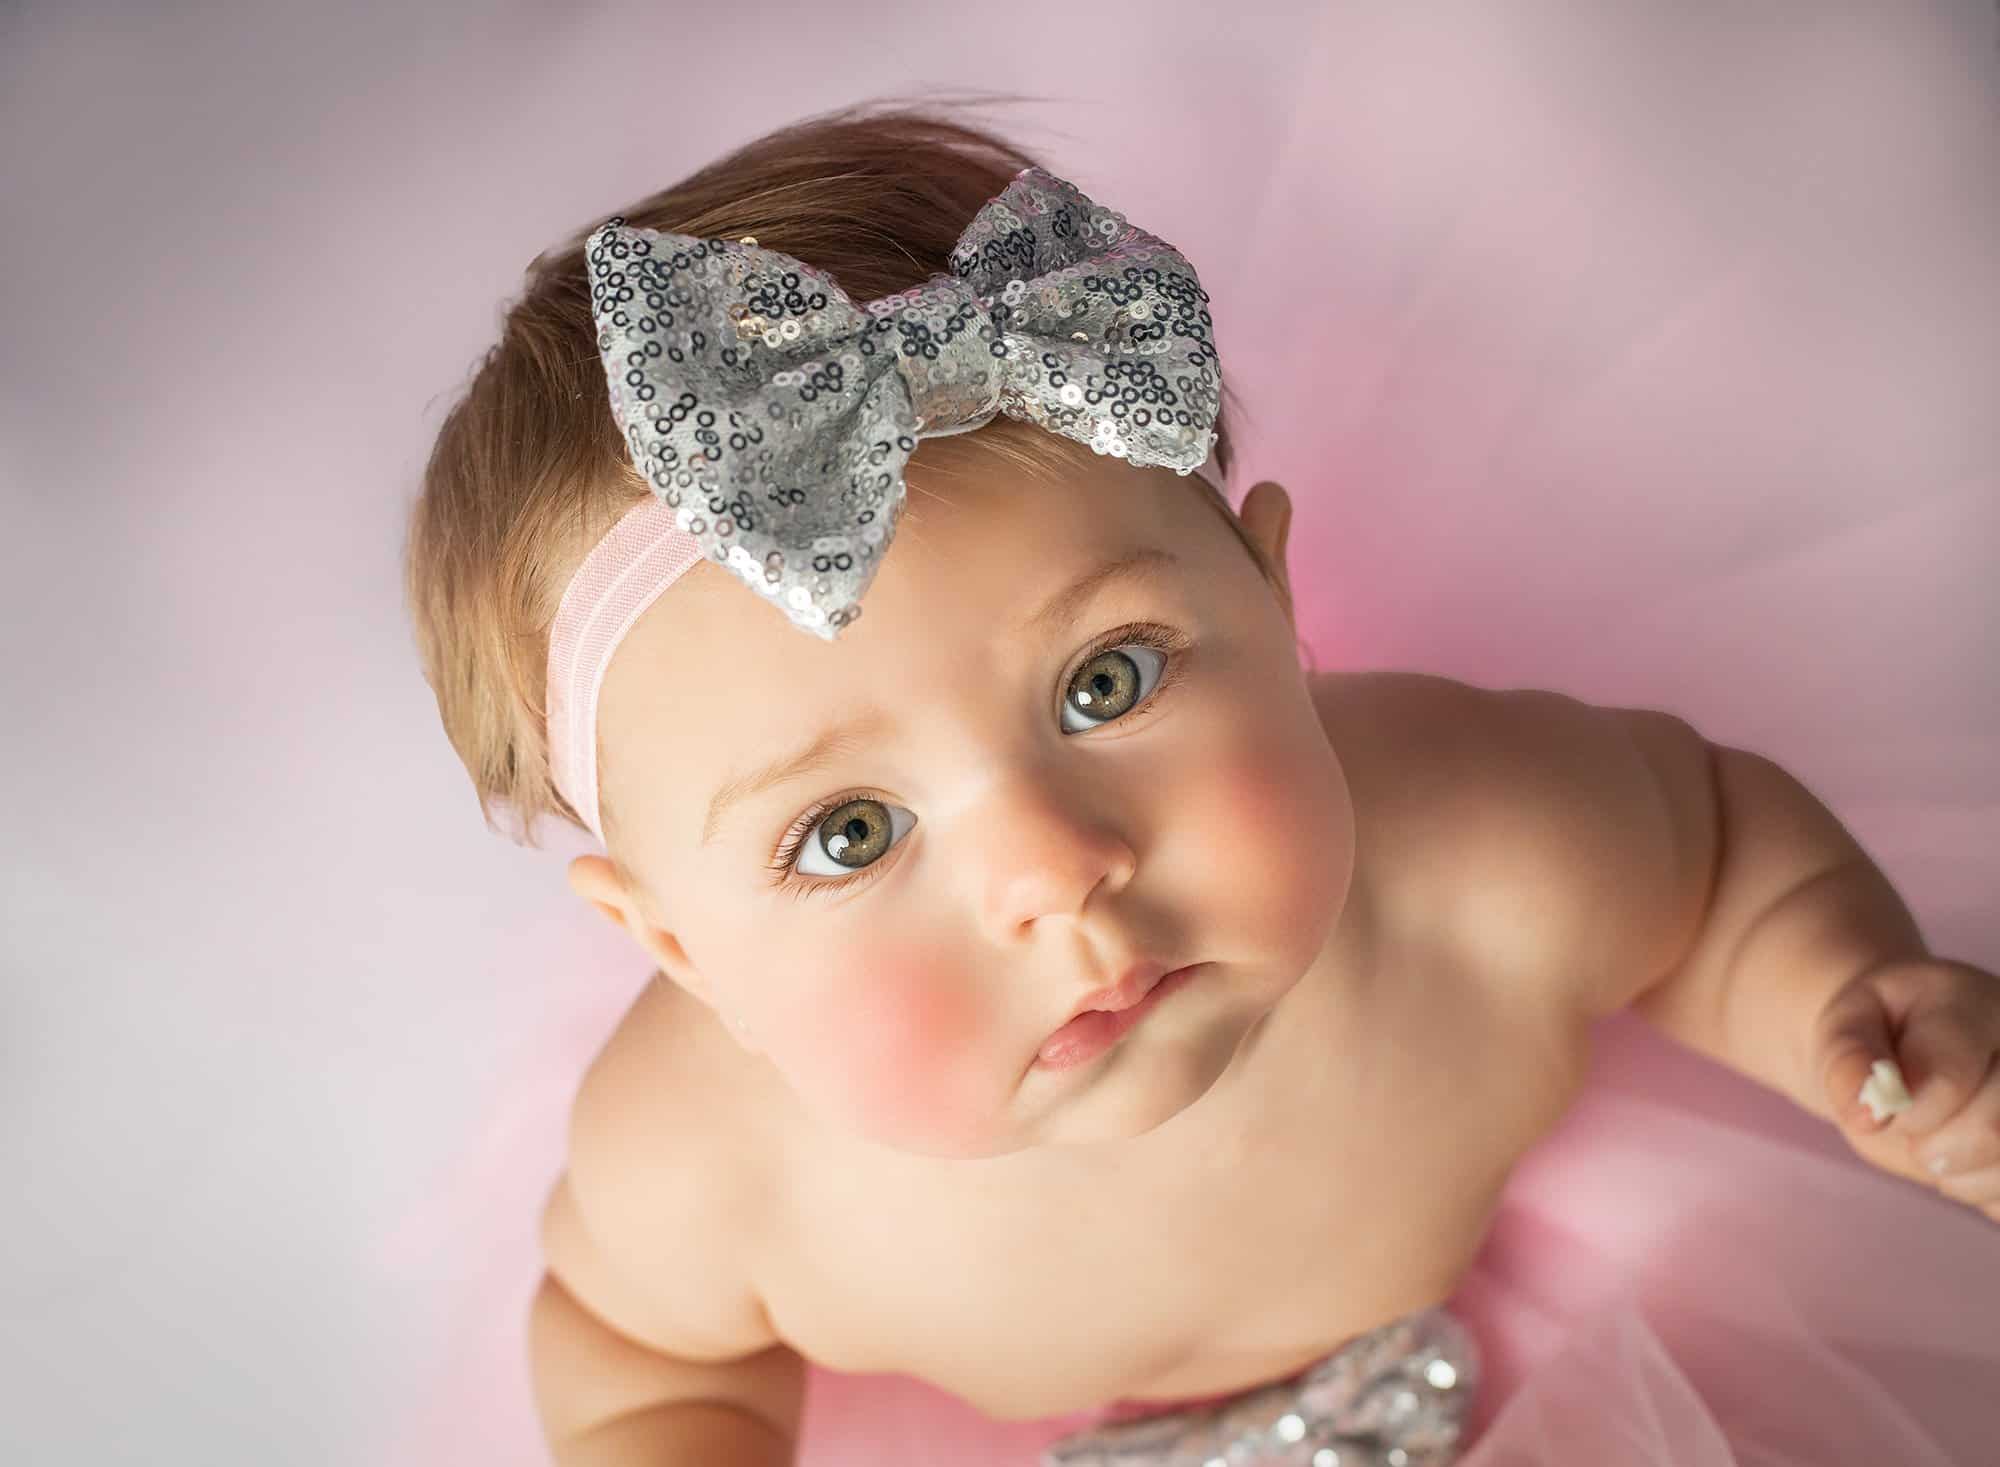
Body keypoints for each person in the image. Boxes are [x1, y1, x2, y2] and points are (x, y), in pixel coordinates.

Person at [401, 97, 2000, 1467]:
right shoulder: (705, 1168)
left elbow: (1714, 853)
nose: (1054, 869)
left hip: (1580, 1324)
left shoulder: (1493, 841)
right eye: (852, 833)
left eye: (1107, 682)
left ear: (1276, 605)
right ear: (678, 949)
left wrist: (1836, 999)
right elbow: (641, 1356)